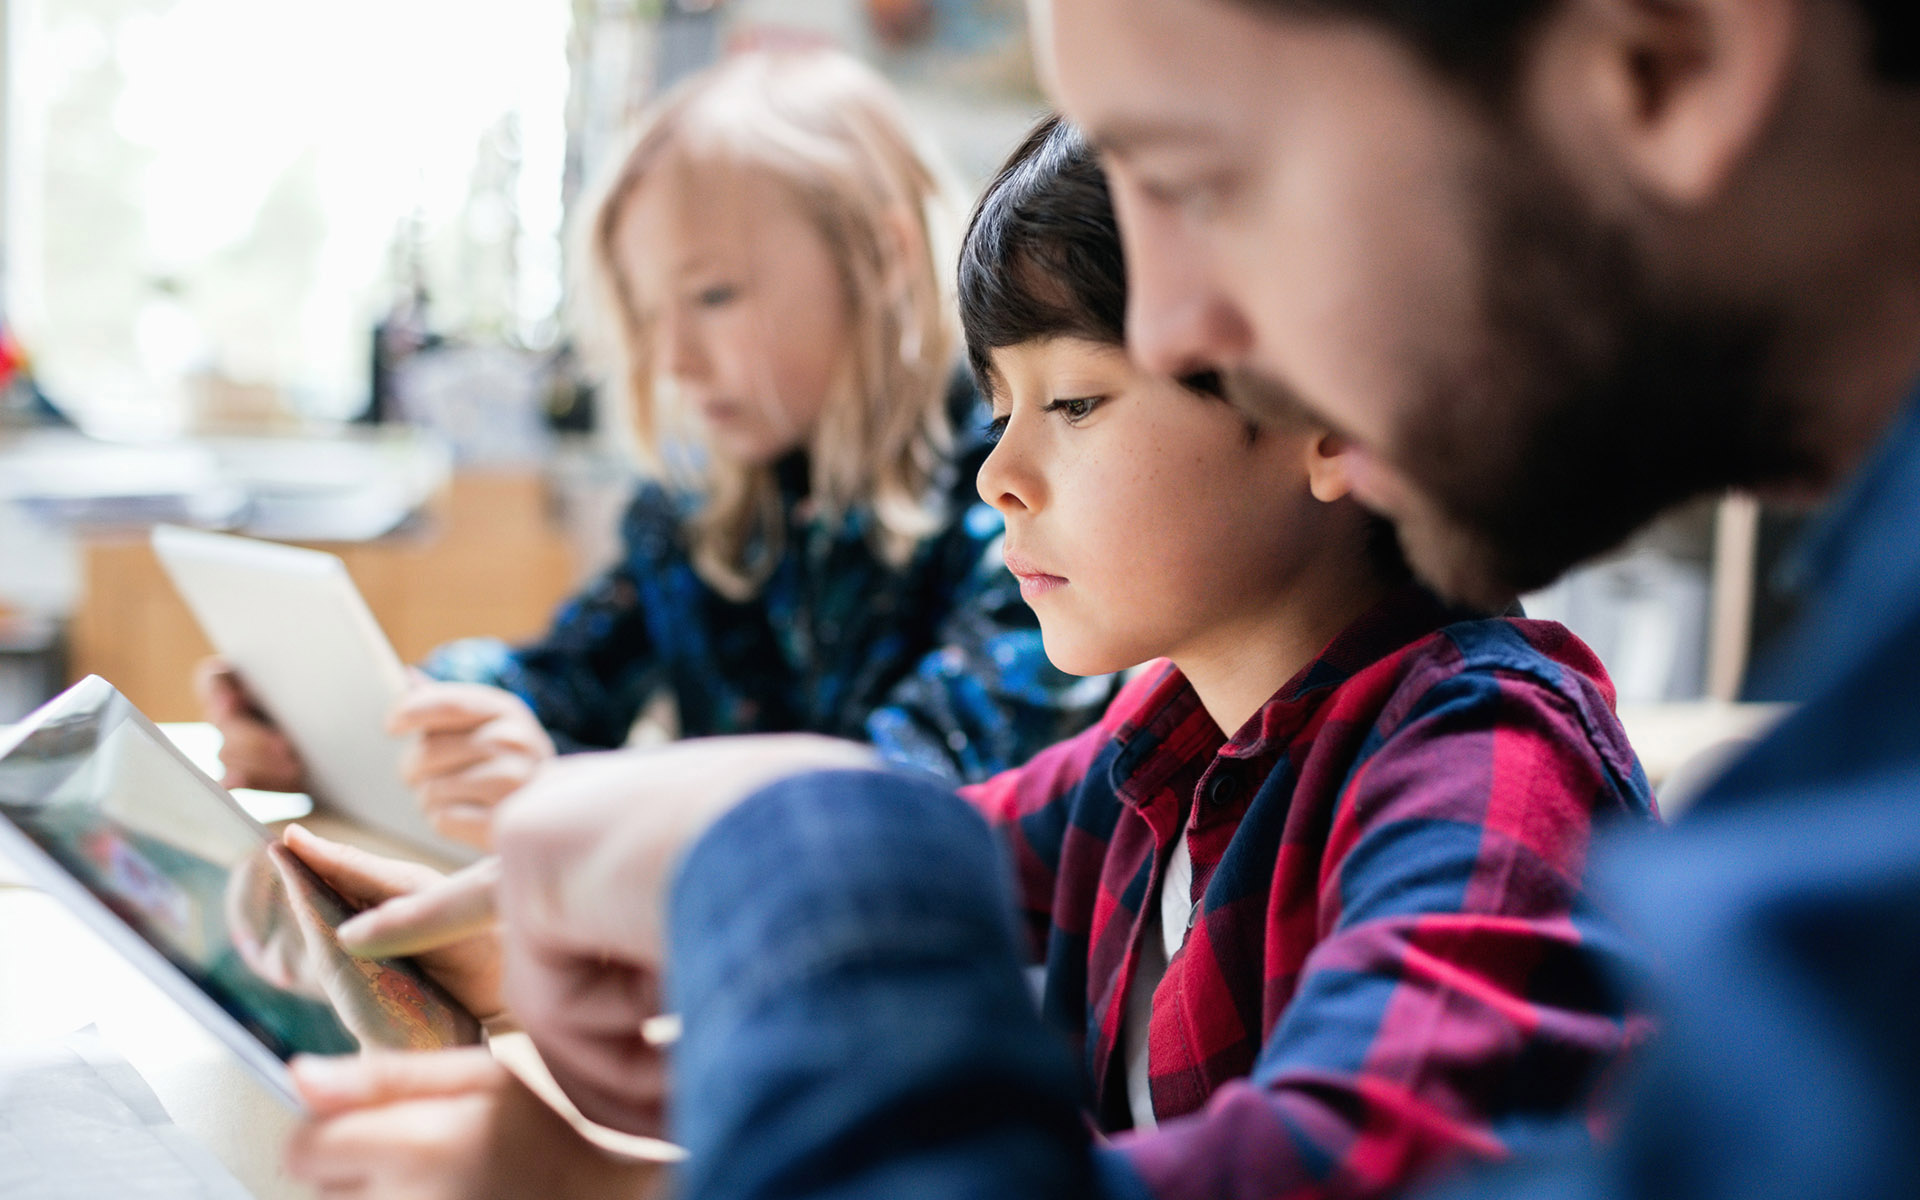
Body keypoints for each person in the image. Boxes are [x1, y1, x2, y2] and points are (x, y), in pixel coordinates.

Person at [280, 114, 1659, 1199]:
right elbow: (919, 857)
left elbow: (1348, 1174)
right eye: (999, 407)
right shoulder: (1157, 753)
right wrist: (500, 944)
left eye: (1074, 399)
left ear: (1335, 412)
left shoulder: (1488, 760)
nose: (999, 472)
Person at [199, 48, 1114, 847]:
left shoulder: (1016, 490)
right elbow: (558, 683)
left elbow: (925, 781)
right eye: (647, 316)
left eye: (712, 296)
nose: (672, 360)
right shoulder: (697, 509)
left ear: (880, 259)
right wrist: (393, 717)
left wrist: (574, 791)